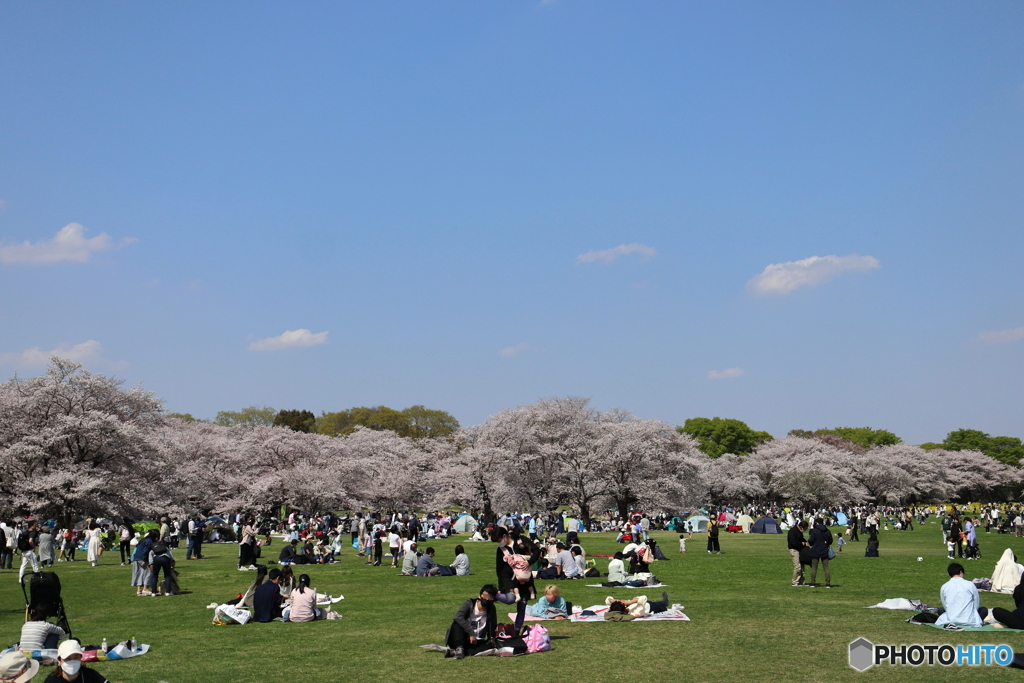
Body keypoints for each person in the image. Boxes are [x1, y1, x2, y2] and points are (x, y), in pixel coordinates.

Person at [444, 585, 499, 659]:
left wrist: (491, 639)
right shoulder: (469, 604)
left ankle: (454, 652)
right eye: (485, 596)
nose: (487, 599)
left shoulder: (491, 609)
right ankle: (459, 648)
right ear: (480, 596)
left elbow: (492, 625)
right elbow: (457, 617)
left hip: (477, 640)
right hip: (462, 637)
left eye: (490, 597)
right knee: (457, 623)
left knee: (489, 648)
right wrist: (471, 633)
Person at [935, 563, 987, 628]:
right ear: (961, 572)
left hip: (951, 618)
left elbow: (945, 605)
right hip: (969, 620)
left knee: (941, 610)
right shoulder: (970, 584)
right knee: (984, 610)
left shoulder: (944, 586)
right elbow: (976, 603)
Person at [43, 639, 109, 683]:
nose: (72, 661)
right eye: (67, 658)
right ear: (59, 661)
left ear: (80, 658)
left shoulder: (91, 674)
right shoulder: (51, 680)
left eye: (76, 657)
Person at [807, 518, 833, 588]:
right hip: (824, 549)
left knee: (814, 567)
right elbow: (830, 541)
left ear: (817, 523)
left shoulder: (815, 531)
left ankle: (812, 582)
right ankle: (828, 583)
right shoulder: (827, 531)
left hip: (815, 550)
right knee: (826, 567)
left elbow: (811, 541)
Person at [131, 530, 157, 597]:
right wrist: (145, 560)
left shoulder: (142, 540)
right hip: (142, 558)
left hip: (136, 557)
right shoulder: (149, 541)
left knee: (139, 574)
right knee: (148, 573)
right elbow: (146, 551)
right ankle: (145, 588)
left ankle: (138, 590)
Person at [605, 591, 672, 617]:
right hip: (650, 607)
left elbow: (607, 600)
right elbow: (643, 598)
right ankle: (664, 603)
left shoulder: (615, 609)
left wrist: (613, 601)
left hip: (644, 604)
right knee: (661, 604)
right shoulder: (636, 613)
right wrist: (630, 602)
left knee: (654, 603)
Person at [787, 520, 807, 586]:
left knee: (802, 566)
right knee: (797, 567)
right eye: (805, 528)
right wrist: (801, 543)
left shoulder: (799, 532)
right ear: (801, 527)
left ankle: (801, 581)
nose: (805, 530)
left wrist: (805, 542)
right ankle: (795, 581)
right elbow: (793, 542)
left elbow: (802, 539)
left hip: (800, 550)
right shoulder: (792, 531)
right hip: (794, 550)